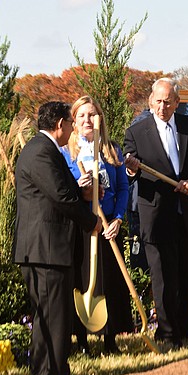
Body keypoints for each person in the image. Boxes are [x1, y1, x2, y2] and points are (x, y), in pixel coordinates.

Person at [123, 78, 188, 350]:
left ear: (177, 102)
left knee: (187, 274)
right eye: (158, 101)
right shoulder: (137, 132)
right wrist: (131, 168)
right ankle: (167, 334)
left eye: (168, 101)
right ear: (151, 101)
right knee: (163, 279)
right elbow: (129, 171)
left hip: (187, 214)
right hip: (156, 216)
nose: (162, 107)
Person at [13, 101, 101, 375]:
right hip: (45, 248)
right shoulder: (41, 152)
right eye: (70, 121)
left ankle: (45, 370)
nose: (74, 127)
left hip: (46, 248)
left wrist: (79, 189)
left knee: (49, 314)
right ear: (60, 124)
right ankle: (52, 372)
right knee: (53, 314)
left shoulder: (46, 150)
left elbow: (59, 192)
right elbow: (61, 197)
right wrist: (91, 222)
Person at [61, 95, 133, 355]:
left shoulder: (111, 150)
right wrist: (78, 188)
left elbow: (123, 188)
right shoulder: (66, 153)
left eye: (91, 115)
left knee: (110, 282)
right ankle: (81, 341)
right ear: (74, 121)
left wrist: (118, 219)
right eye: (81, 115)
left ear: (99, 119)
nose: (87, 120)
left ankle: (110, 340)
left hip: (108, 226)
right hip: (82, 227)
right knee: (82, 281)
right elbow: (62, 191)